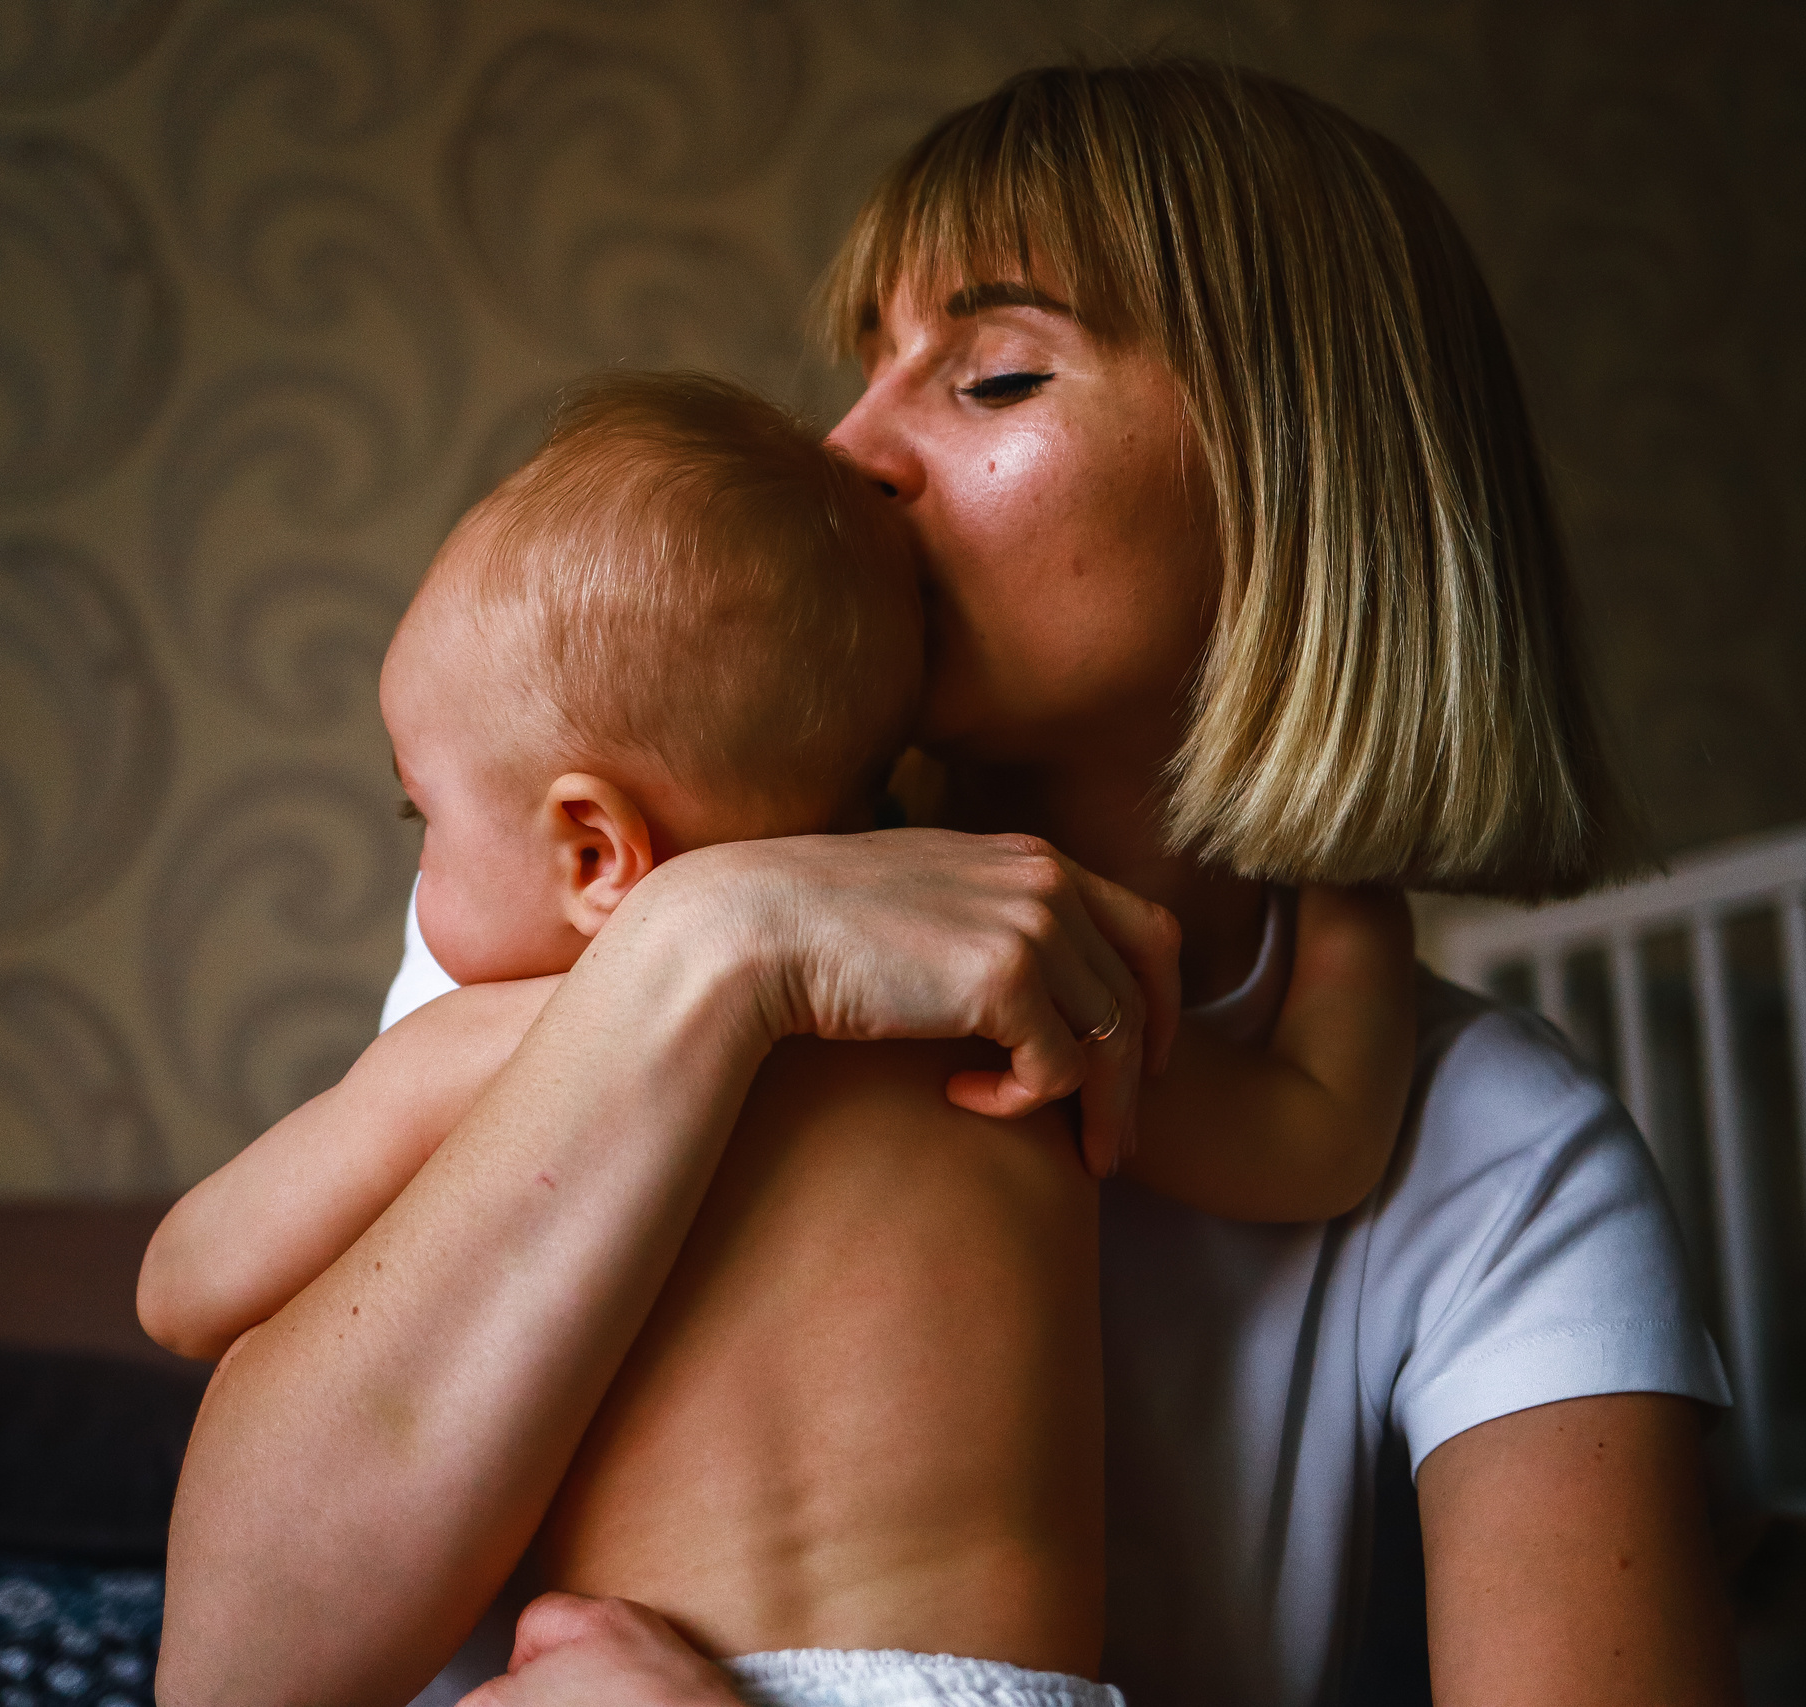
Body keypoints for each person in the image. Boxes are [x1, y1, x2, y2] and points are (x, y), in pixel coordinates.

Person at [160, 59, 1741, 1707]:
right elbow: (238, 1676)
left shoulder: (1500, 1156)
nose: (847, 448)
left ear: (1298, 486)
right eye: (866, 366)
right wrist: (713, 944)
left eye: (991, 377)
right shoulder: (600, 911)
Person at [143, 369, 1416, 1706]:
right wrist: (1351, 899)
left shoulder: (489, 1049)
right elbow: (1314, 1139)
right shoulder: (1016, 981)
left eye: (424, 817)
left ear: (594, 850)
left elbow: (182, 1286)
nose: (421, 868)